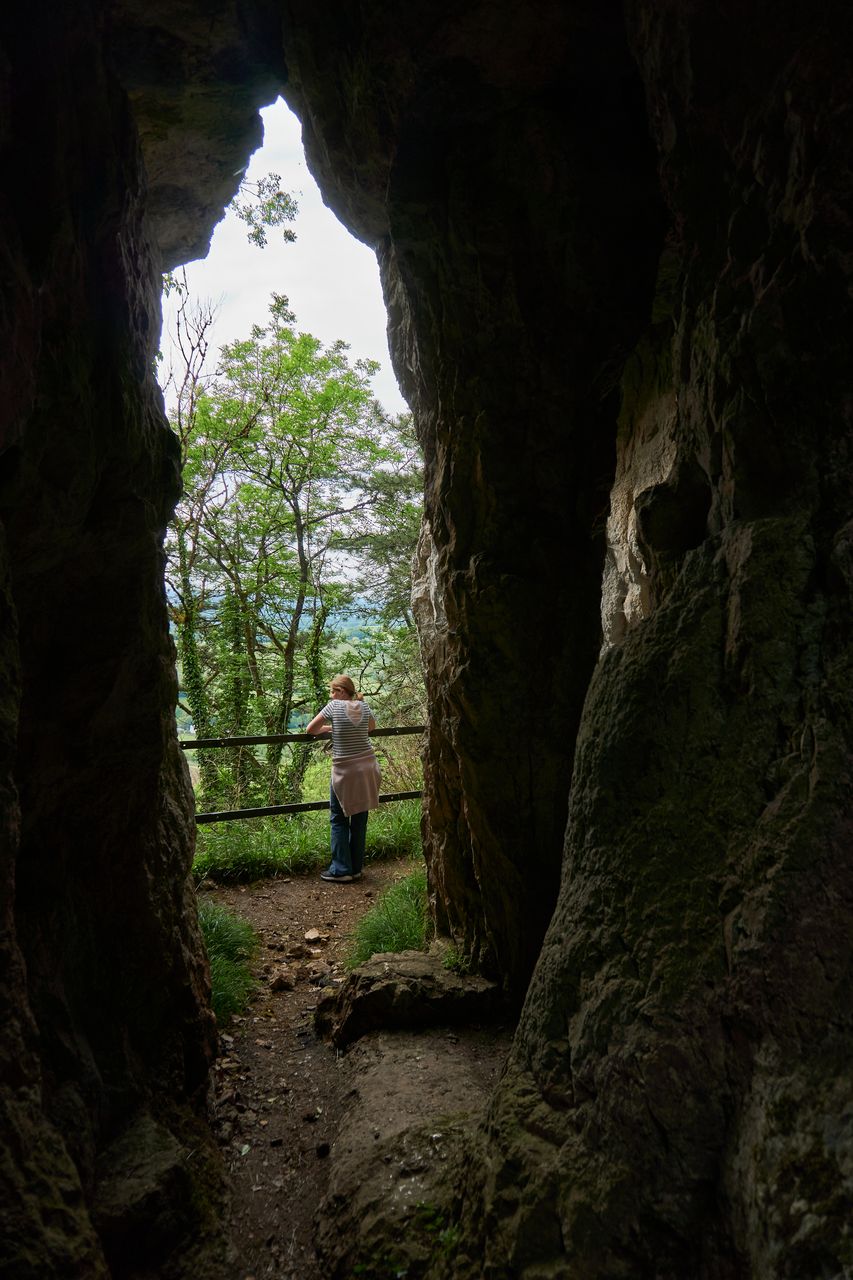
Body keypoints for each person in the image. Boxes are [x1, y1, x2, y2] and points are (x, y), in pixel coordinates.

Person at [305, 675, 381, 883]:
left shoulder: (333, 706)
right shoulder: (363, 707)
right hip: (367, 768)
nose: (331, 695)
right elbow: (370, 727)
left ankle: (341, 869)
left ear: (340, 691)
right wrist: (339, 728)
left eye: (333, 691)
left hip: (345, 770)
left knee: (338, 818)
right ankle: (356, 868)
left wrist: (331, 728)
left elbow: (311, 729)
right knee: (359, 817)